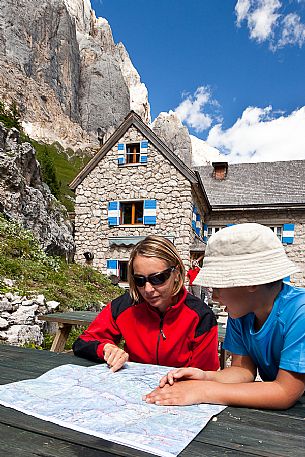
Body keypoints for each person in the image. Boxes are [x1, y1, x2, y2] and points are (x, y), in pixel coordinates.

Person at [143, 223, 305, 410]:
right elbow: (242, 371)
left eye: (218, 287)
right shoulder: (243, 311)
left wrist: (203, 391)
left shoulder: (299, 312)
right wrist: (205, 376)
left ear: (250, 282)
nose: (214, 296)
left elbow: (285, 393)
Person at [73, 235, 219, 372]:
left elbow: (205, 375)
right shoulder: (124, 306)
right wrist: (105, 348)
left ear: (177, 273)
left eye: (158, 278)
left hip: (181, 391)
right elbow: (82, 343)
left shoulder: (201, 316)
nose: (148, 289)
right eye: (140, 280)